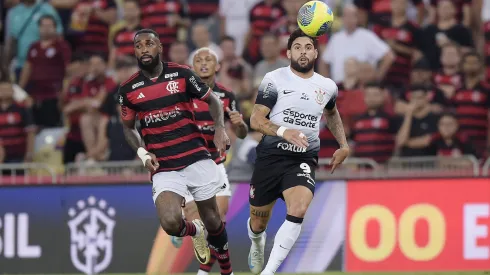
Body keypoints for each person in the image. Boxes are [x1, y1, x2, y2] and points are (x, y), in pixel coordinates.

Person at [117, 29, 233, 269]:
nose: (144, 49)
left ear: (159, 47)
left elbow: (213, 101)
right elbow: (128, 128)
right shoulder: (128, 90)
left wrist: (220, 128)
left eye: (149, 44)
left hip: (195, 156)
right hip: (164, 165)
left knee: (213, 219)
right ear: (135, 51)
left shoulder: (182, 74)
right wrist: (142, 153)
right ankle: (194, 230)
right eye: (139, 46)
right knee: (170, 223)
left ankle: (227, 269)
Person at [247, 29, 350, 275]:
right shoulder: (274, 79)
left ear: (315, 52)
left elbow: (332, 113)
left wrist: (343, 145)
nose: (302, 52)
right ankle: (257, 241)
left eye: (307, 47)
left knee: (299, 208)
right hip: (271, 157)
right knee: (259, 221)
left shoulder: (327, 86)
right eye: (297, 47)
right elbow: (255, 119)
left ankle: (268, 272)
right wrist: (284, 131)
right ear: (288, 52)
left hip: (302, 159)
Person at [170, 47, 248, 275]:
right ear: (192, 67)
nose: (203, 63)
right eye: (198, 60)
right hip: (187, 165)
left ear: (218, 66)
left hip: (215, 165)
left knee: (218, 222)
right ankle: (183, 228)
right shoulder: (181, 95)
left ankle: (207, 272)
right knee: (201, 224)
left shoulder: (226, 95)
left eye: (209, 59)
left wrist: (240, 123)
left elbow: (241, 133)